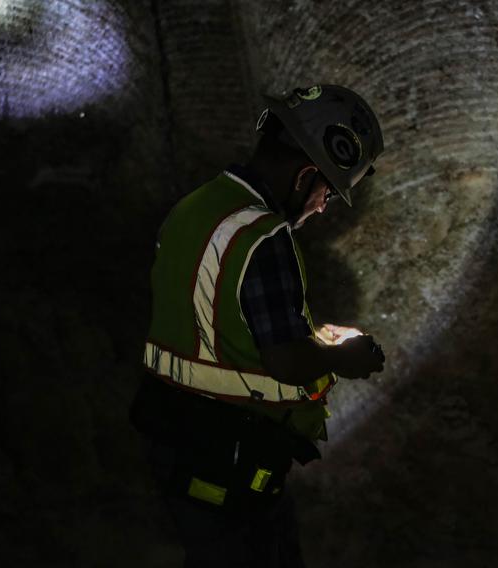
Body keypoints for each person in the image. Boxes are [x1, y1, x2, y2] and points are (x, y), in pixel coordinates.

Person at [130, 84, 386, 567]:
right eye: (327, 190)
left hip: (173, 438)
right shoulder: (265, 236)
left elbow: (210, 322)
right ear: (305, 174)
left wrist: (310, 337)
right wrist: (343, 356)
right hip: (229, 459)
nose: (323, 205)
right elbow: (285, 361)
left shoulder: (195, 206)